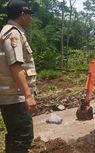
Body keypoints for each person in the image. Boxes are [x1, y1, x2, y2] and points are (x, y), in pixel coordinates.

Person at [0, 0, 37, 152]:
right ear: (23, 14)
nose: (31, 18)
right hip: (15, 97)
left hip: (13, 95)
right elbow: (16, 67)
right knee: (23, 137)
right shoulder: (13, 33)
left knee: (16, 136)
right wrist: (28, 96)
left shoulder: (11, 31)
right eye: (29, 14)